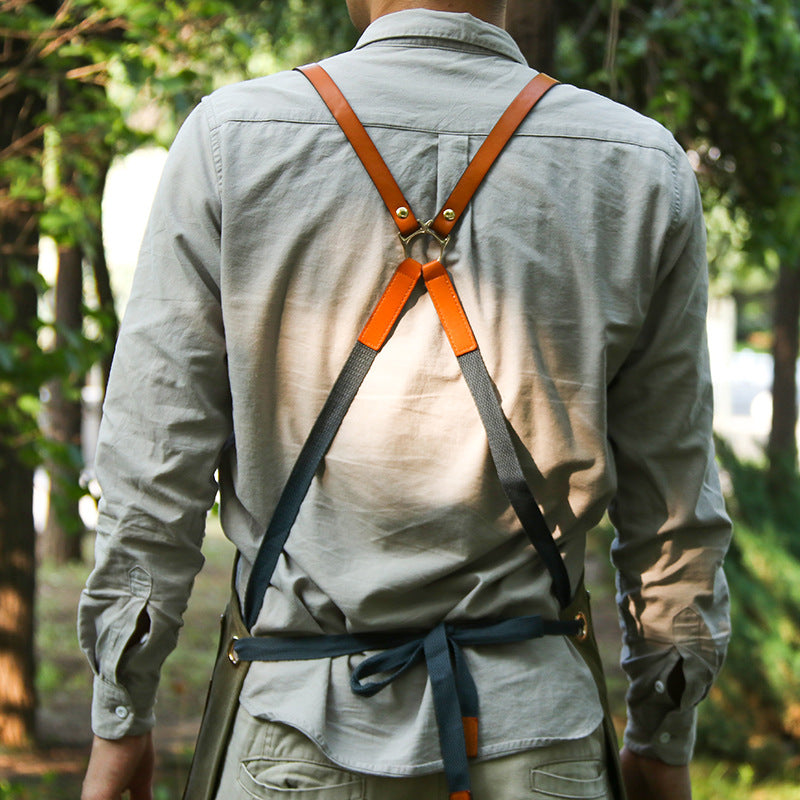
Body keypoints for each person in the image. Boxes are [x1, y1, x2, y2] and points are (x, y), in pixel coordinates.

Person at [78, 1, 732, 799]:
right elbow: (674, 513)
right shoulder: (638, 165)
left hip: (295, 743)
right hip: (540, 745)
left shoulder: (230, 142)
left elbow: (152, 476)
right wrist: (663, 741)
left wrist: (121, 721)